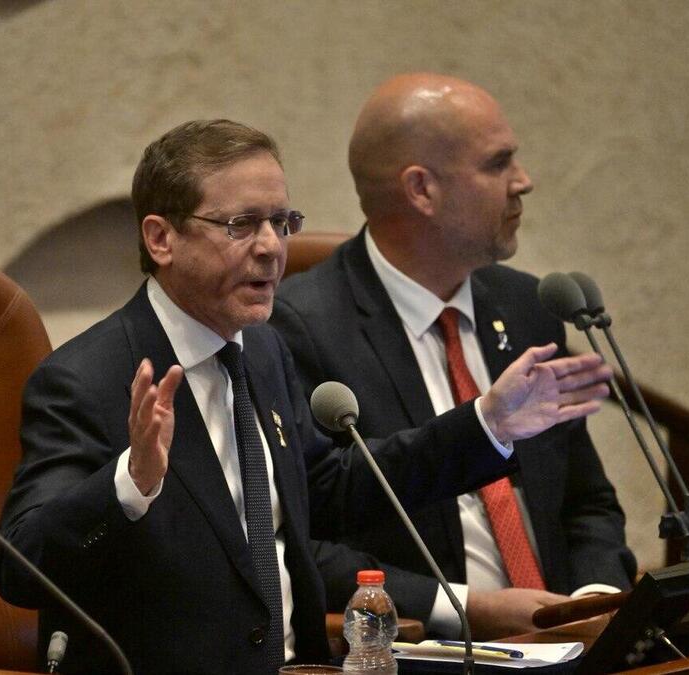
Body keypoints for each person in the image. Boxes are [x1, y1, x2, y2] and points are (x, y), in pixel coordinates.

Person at [0, 119, 612, 674]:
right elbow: (21, 568)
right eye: (240, 224)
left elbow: (335, 493)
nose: (271, 246)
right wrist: (131, 483)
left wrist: (486, 426)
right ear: (161, 239)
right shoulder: (85, 377)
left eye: (281, 222)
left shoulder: (261, 352)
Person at [271, 73, 637, 641]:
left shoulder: (525, 306)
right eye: (498, 164)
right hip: (432, 649)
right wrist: (470, 609)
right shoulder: (299, 329)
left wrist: (592, 600)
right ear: (422, 189)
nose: (524, 182)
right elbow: (304, 539)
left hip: (573, 647)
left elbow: (585, 500)